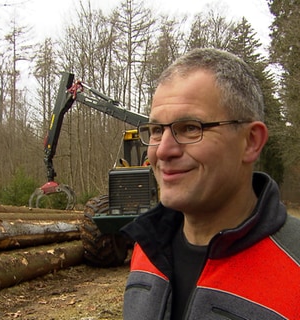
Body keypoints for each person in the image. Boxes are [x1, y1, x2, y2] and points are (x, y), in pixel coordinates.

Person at [121, 48, 300, 320]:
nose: (163, 150)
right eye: (157, 130)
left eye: (191, 128)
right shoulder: (147, 248)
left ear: (251, 142)